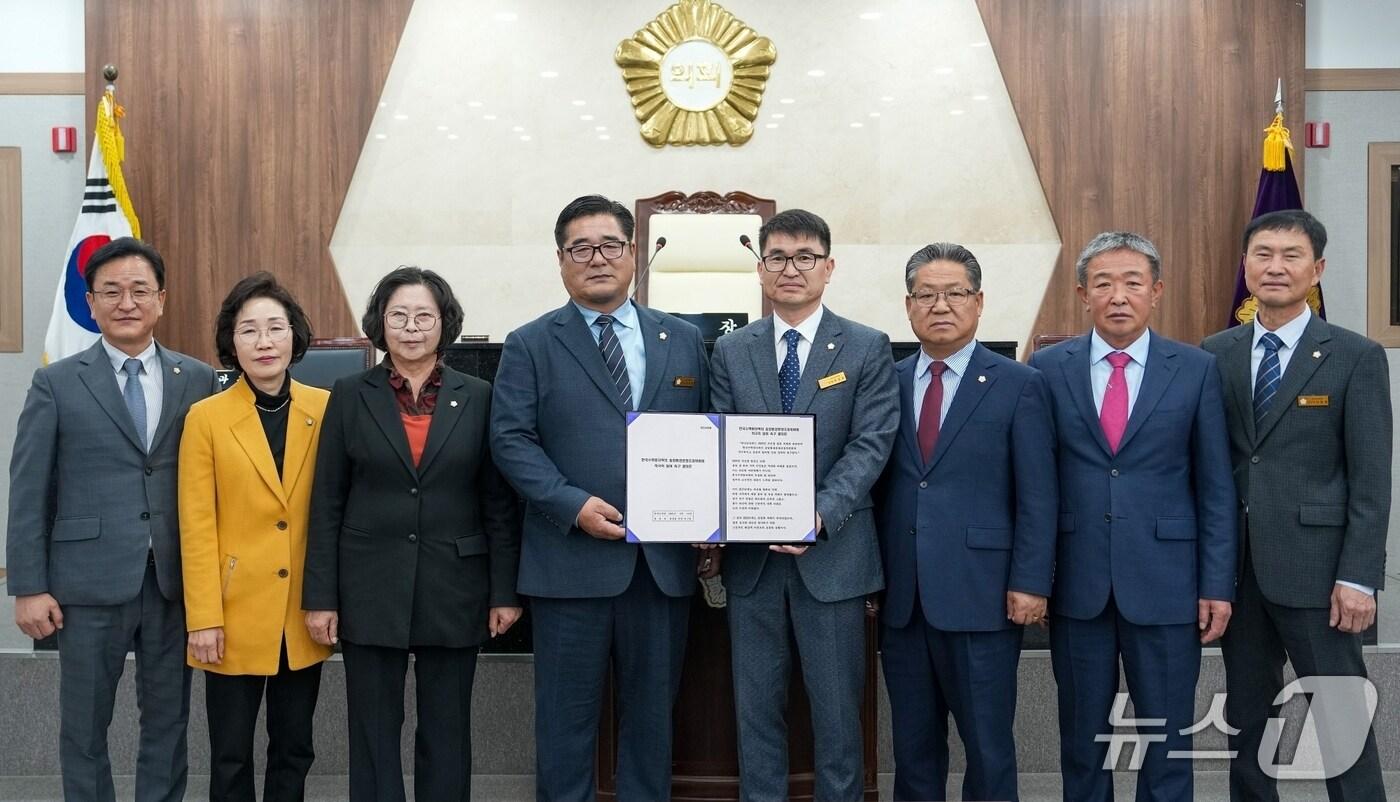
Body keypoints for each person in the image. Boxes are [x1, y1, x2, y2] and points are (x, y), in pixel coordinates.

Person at [490, 194, 710, 801]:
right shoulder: (530, 342)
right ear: (561, 261)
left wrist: (708, 515)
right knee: (565, 726)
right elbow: (511, 441)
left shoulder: (685, 339)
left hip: (660, 567)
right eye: (580, 248)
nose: (597, 258)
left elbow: (708, 431)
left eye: (610, 245)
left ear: (633, 254)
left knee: (652, 727)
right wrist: (571, 505)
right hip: (569, 567)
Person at [1028, 231, 1237, 802]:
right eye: (1103, 283)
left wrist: (1217, 583)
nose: (1118, 295)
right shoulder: (1046, 369)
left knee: (1167, 740)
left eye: (1133, 283)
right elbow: (1034, 483)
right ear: (1082, 294)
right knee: (1082, 740)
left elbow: (1215, 486)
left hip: (1169, 583)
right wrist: (1033, 579)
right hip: (1077, 584)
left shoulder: (1195, 369)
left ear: (1157, 291)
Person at [6, 237, 217, 802]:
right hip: (85, 583)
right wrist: (28, 586)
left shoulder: (197, 379)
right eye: (112, 292)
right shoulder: (57, 381)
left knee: (169, 723)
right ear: (91, 303)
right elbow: (29, 489)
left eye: (140, 290)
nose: (127, 302)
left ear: (162, 300)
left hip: (173, 583)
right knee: (83, 727)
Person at [302, 266, 521, 802]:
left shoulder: (480, 395)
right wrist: (320, 597)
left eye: (425, 315)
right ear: (380, 323)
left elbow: (498, 502)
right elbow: (327, 501)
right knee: (374, 731)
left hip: (457, 584)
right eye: (398, 315)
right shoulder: (349, 395)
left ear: (445, 324)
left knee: (447, 728)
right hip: (369, 587)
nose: (411, 327)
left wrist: (504, 591)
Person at [710, 208, 899, 802]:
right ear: (761, 268)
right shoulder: (730, 350)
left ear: (829, 266)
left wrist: (818, 512)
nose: (791, 269)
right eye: (778, 258)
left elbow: (870, 446)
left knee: (839, 717)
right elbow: (717, 440)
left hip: (835, 558)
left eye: (805, 258)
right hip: (753, 562)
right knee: (755, 712)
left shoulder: (867, 347)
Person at [1201, 209, 1389, 801]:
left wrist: (1359, 575)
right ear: (1246, 266)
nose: (1275, 267)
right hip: (1240, 573)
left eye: (1291, 255)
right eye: (1263, 254)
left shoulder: (1354, 355)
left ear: (1318, 269)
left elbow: (1371, 477)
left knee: (1340, 718)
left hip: (1320, 573)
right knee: (1249, 721)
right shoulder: (1215, 352)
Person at [874, 243, 1056, 802]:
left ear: (978, 303)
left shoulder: (1018, 383)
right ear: (908, 306)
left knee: (989, 745)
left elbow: (1038, 494)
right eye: (926, 294)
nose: (940, 305)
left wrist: (1030, 581)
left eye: (954, 293)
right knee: (913, 747)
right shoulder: (885, 379)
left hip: (984, 596)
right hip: (904, 600)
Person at [179, 272, 331, 801]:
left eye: (275, 328)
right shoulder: (206, 418)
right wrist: (204, 618)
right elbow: (196, 525)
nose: (264, 342)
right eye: (249, 331)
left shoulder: (326, 409)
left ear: (295, 335)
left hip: (301, 613)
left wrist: (328, 599)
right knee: (229, 754)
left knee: (294, 749)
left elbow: (333, 516)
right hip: (231, 612)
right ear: (231, 342)